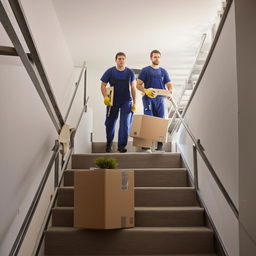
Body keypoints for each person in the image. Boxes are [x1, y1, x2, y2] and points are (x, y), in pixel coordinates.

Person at [136, 49, 173, 152]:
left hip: (160, 100)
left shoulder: (163, 71)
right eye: (155, 57)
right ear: (151, 58)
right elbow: (138, 84)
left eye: (158, 57)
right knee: (148, 120)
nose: (157, 58)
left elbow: (170, 85)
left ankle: (159, 146)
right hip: (148, 99)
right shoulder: (145, 70)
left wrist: (169, 93)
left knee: (160, 121)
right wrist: (145, 90)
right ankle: (146, 145)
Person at [101, 52, 136, 153]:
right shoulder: (110, 71)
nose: (121, 60)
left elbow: (133, 88)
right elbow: (103, 85)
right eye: (119, 59)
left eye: (123, 59)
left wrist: (135, 103)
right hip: (112, 100)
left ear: (125, 60)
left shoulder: (130, 72)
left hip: (126, 100)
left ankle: (121, 146)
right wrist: (105, 97)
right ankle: (109, 144)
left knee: (125, 123)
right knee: (110, 123)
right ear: (115, 60)